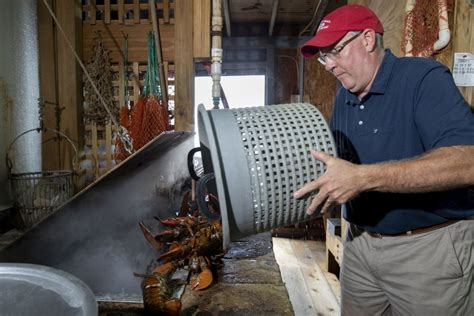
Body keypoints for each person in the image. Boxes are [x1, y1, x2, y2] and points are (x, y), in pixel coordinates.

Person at [295, 4, 474, 315]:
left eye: (335, 51)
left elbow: (467, 162)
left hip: (427, 250)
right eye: (325, 56)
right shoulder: (345, 96)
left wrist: (363, 177)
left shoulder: (422, 79)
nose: (330, 65)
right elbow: (341, 166)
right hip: (361, 244)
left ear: (367, 39)